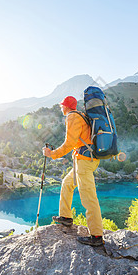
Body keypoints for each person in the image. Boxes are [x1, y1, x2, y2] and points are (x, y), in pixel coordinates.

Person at [42, 96, 103, 246]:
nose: (61, 108)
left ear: (67, 106)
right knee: (67, 183)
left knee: (89, 198)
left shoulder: (72, 117)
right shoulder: (81, 115)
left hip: (84, 162)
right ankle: (66, 217)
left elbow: (69, 143)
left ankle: (96, 236)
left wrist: (52, 154)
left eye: (62, 105)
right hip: (84, 160)